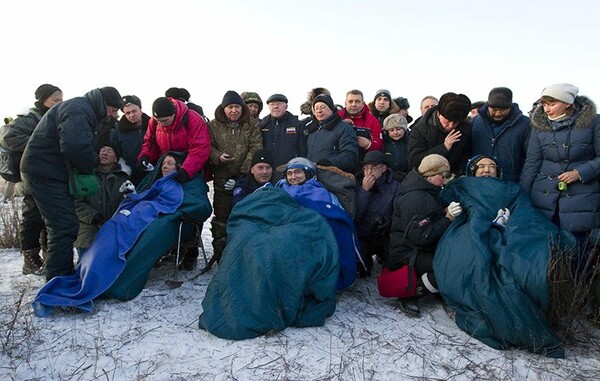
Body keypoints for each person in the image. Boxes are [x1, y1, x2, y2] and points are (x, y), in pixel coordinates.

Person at [20, 86, 123, 280]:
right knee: (63, 226)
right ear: (105, 104)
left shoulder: (82, 109)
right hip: (45, 172)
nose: (114, 114)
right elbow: (74, 144)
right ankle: (59, 282)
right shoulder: (79, 109)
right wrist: (91, 165)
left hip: (49, 170)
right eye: (114, 110)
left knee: (64, 224)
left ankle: (60, 275)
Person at [384, 154, 462, 316]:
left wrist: (443, 213)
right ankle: (411, 292)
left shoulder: (427, 191)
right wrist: (447, 219)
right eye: (443, 176)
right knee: (447, 266)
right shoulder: (416, 198)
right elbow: (419, 236)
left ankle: (434, 286)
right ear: (430, 176)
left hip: (417, 248)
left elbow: (428, 218)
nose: (446, 180)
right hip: (406, 253)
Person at [520, 83, 600, 241]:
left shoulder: (594, 122)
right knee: (548, 248)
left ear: (568, 103)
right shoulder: (539, 126)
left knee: (579, 250)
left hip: (582, 198)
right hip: (543, 196)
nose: (546, 109)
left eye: (551, 104)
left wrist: (580, 173)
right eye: (544, 104)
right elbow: (532, 163)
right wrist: (522, 197)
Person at [0, 84, 63, 274]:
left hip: (48, 176)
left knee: (49, 219)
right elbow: (7, 137)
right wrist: (38, 143)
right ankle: (30, 260)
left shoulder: (53, 118)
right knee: (32, 219)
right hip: (30, 178)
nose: (59, 103)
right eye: (55, 100)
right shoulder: (30, 119)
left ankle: (47, 257)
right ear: (43, 99)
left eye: (61, 100)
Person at [208, 90, 262, 261]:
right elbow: (207, 146)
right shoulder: (213, 126)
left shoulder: (251, 125)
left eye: (237, 107)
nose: (234, 111)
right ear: (224, 108)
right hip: (221, 178)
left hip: (245, 179)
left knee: (245, 214)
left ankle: (244, 253)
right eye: (230, 107)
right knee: (221, 217)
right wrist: (217, 156)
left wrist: (243, 173)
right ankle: (221, 254)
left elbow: (256, 147)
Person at [137, 96, 211, 184]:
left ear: (174, 114)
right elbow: (150, 142)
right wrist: (145, 156)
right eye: (158, 121)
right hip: (166, 168)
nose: (161, 124)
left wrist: (186, 170)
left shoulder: (193, 119)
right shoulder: (154, 121)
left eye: (165, 120)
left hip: (190, 171)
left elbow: (200, 148)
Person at [74, 142, 129, 257]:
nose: (105, 152)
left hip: (112, 231)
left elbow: (126, 204)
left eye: (109, 150)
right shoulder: (85, 174)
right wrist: (94, 217)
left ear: (116, 159)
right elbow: (75, 202)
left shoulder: (122, 179)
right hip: (87, 231)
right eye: (102, 150)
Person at [354, 150, 401, 276]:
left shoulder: (395, 186)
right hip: (363, 235)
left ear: (383, 168)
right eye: (366, 168)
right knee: (362, 271)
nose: (369, 172)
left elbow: (399, 212)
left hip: (384, 235)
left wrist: (388, 221)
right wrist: (364, 191)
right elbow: (355, 214)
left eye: (373, 167)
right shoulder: (357, 184)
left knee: (392, 268)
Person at [471, 87, 531, 183]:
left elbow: (530, 157)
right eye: (494, 109)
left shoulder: (525, 124)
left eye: (503, 109)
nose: (498, 113)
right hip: (478, 181)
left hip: (510, 182)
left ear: (510, 107)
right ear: (488, 105)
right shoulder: (475, 122)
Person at [408, 92, 472, 176]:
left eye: (456, 122)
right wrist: (444, 148)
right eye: (448, 120)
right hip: (428, 179)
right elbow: (414, 161)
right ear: (438, 114)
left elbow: (466, 156)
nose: (451, 126)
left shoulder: (465, 129)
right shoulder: (420, 130)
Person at [306, 94, 358, 173]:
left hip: (333, 178)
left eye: (323, 107)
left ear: (331, 109)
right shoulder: (311, 131)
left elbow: (350, 156)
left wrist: (330, 163)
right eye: (316, 108)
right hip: (311, 177)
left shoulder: (344, 128)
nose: (319, 111)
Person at [259, 93, 306, 180]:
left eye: (279, 104)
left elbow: (303, 149)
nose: (275, 107)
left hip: (291, 172)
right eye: (272, 104)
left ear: (286, 106)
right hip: (268, 172)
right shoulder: (263, 125)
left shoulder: (296, 124)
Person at [111, 95, 150, 185]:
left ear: (140, 110)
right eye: (127, 113)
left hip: (152, 172)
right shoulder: (118, 131)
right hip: (130, 175)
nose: (131, 115)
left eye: (134, 111)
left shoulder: (153, 126)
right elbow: (116, 152)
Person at [338, 90, 382, 162]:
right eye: (350, 101)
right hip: (339, 162)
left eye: (357, 101)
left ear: (363, 104)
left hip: (363, 164)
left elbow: (379, 143)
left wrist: (368, 144)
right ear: (345, 103)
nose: (353, 104)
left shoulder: (372, 121)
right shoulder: (337, 118)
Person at [382, 114, 410, 181]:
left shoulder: (410, 142)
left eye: (398, 129)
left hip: (408, 177)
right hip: (388, 179)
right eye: (391, 130)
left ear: (404, 129)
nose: (395, 132)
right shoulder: (384, 144)